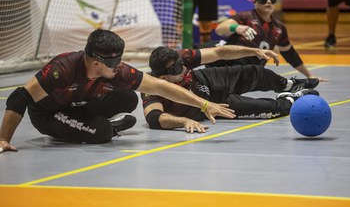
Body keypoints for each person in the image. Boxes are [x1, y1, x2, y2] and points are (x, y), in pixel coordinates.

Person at [0, 29, 235, 153]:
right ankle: (107, 127)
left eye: (120, 60)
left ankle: (89, 123)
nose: (119, 66)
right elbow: (19, 97)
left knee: (127, 97)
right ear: (95, 63)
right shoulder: (62, 69)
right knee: (101, 134)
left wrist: (203, 104)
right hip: (50, 113)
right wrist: (3, 139)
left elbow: (160, 86)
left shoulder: (116, 70)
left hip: (79, 103)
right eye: (114, 63)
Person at [141, 46, 320, 133]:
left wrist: (254, 51)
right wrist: (183, 121)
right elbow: (154, 117)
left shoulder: (181, 60)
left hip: (206, 81)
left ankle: (288, 84)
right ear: (163, 77)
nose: (184, 68)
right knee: (270, 109)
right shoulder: (152, 86)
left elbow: (219, 53)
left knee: (254, 72)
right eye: (177, 69)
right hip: (211, 107)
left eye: (182, 63)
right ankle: (291, 98)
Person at [202, 0, 324, 81]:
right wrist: (237, 28)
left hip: (251, 72)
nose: (268, 2)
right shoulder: (246, 17)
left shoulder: (279, 28)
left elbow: (290, 54)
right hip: (229, 64)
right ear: (255, 1)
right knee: (208, 47)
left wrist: (310, 76)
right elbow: (220, 29)